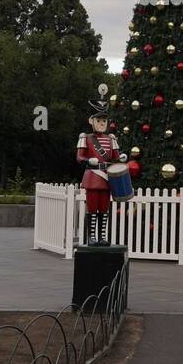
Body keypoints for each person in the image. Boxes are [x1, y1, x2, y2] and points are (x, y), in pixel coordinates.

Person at [76, 85, 123, 246]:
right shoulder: (86, 137)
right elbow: (79, 157)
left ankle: (102, 236)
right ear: (91, 121)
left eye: (104, 120)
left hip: (106, 178)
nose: (102, 123)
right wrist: (89, 160)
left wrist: (121, 157)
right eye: (99, 120)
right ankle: (91, 237)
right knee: (92, 209)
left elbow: (115, 159)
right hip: (92, 176)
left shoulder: (111, 139)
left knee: (104, 209)